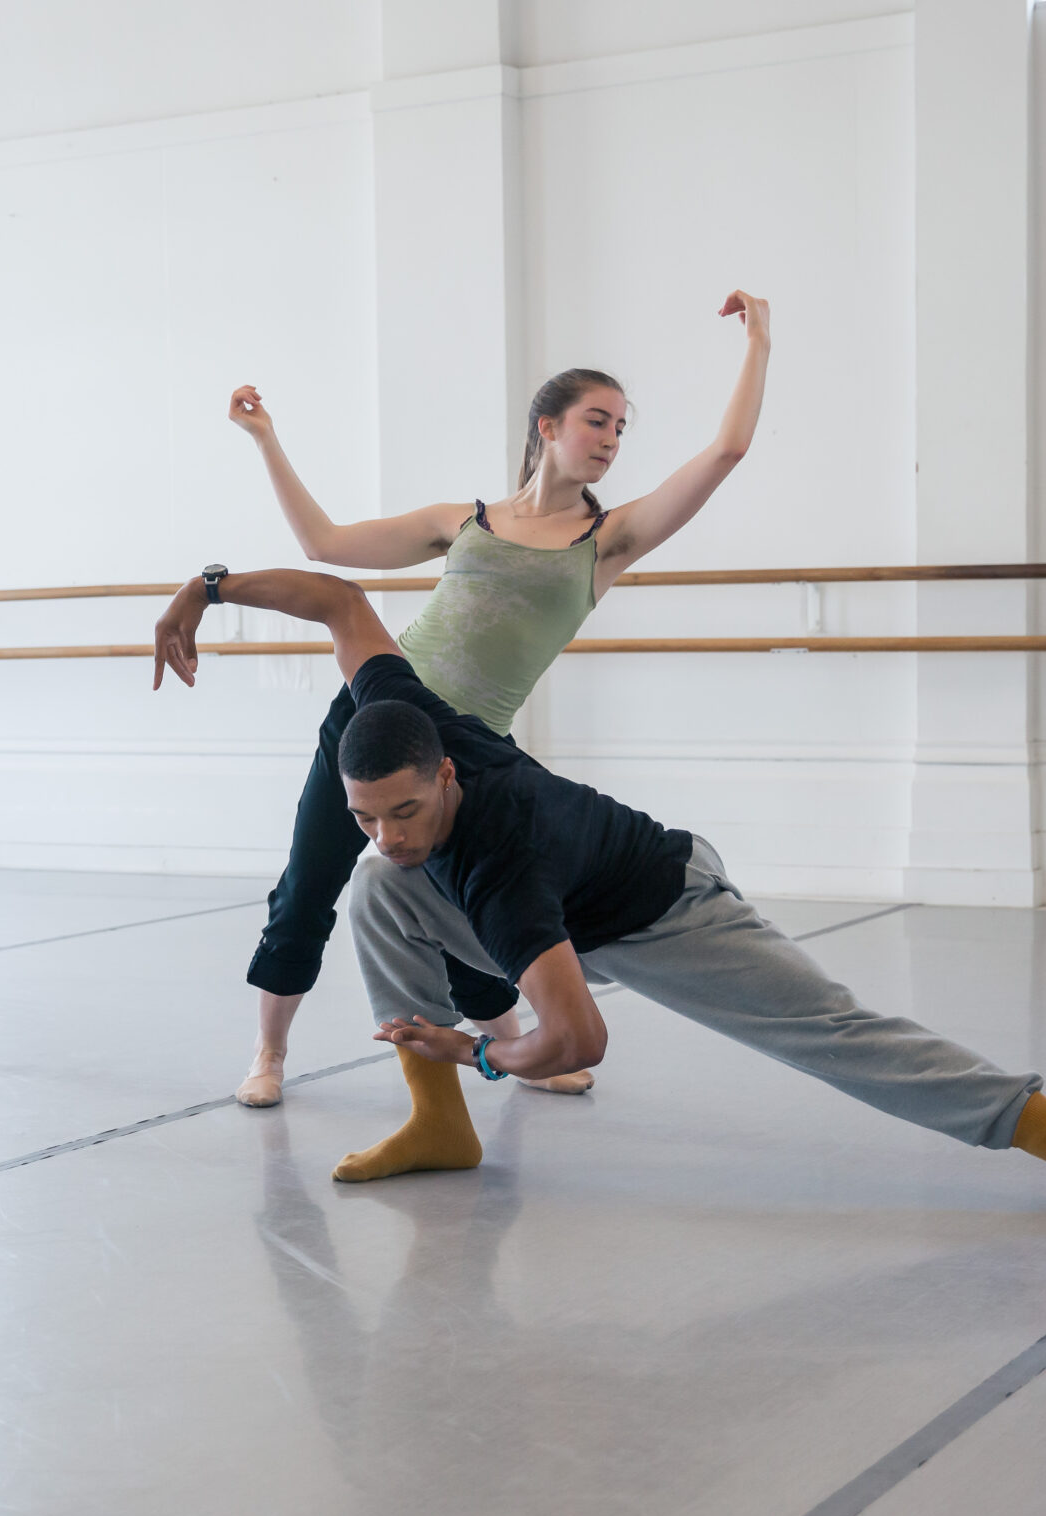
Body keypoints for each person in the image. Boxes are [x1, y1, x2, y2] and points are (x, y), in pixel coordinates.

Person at [154, 566, 1046, 1237]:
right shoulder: (398, 709)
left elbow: (579, 1033)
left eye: (401, 814)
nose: (388, 835)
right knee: (378, 899)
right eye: (365, 816)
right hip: (565, 905)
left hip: (664, 905)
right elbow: (341, 600)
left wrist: (481, 1054)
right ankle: (440, 1133)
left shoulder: (497, 854)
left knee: (840, 1035)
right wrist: (203, 592)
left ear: (443, 773)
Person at [227, 291, 772, 1107]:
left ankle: (514, 1041)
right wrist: (267, 440)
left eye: (622, 428)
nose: (612, 441)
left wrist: (758, 340)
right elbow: (324, 546)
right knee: (309, 883)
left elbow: (726, 451)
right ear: (547, 426)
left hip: (468, 750)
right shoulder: (465, 521)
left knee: (464, 893)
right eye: (598, 420)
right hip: (375, 714)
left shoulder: (608, 540)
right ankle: (269, 1053)